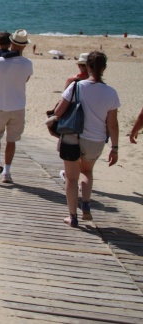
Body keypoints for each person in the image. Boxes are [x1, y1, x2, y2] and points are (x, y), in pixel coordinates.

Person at [53, 51, 120, 227]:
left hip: (73, 136)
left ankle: (72, 216)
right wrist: (115, 148)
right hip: (96, 141)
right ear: (104, 68)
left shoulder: (76, 87)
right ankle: (86, 205)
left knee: (71, 177)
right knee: (87, 172)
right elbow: (112, 124)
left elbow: (58, 112)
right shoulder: (111, 93)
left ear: (87, 66)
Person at [0, 29, 34, 184]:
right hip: (18, 106)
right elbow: (25, 80)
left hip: (1, 105)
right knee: (11, 141)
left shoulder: (0, 61)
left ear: (11, 43)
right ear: (24, 46)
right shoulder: (28, 64)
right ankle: (7, 172)